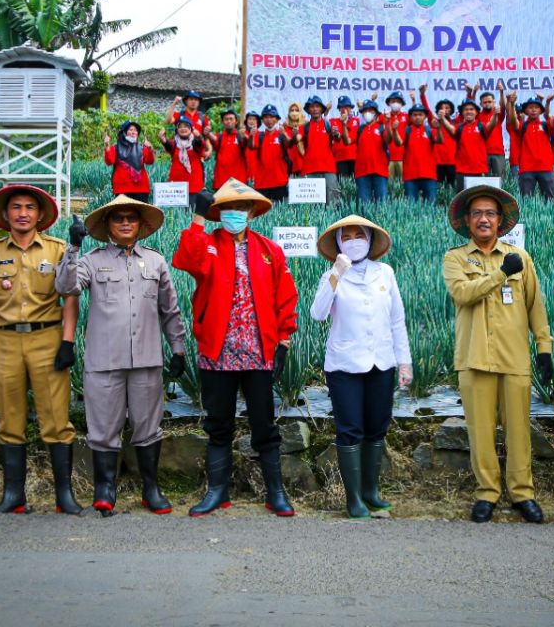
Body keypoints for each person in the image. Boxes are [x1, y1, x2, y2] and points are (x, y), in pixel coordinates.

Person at [173, 179, 299, 517]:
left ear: (252, 212)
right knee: (219, 423)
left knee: (264, 423)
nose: (235, 213)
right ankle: (217, 491)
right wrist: (197, 220)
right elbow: (186, 260)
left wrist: (284, 339)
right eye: (227, 208)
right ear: (219, 213)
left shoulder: (268, 249)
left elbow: (285, 295)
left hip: (259, 352)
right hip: (218, 351)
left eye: (241, 208)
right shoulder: (209, 243)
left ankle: (276, 492)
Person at [0, 185, 82, 515]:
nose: (23, 213)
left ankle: (64, 496)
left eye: (29, 207)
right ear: (5, 214)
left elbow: (71, 297)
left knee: (56, 418)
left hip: (48, 337)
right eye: (16, 207)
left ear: (40, 215)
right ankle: (14, 496)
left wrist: (67, 342)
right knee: (9, 418)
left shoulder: (56, 250)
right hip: (8, 341)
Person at [58, 195, 187, 516]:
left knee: (148, 426)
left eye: (131, 217)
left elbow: (170, 310)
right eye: (119, 218)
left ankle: (151, 489)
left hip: (146, 360)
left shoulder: (156, 261)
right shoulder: (91, 260)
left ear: (142, 225)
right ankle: (105, 489)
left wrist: (178, 348)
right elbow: (66, 286)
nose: (126, 222)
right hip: (104, 361)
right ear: (108, 226)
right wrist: (72, 248)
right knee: (102, 429)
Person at [443, 185, 553, 523]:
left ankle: (522, 493)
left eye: (490, 213)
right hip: (474, 357)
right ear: (467, 221)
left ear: (500, 220)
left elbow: (536, 305)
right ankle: (487, 493)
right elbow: (463, 294)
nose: (484, 219)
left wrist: (544, 347)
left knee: (519, 430)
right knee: (480, 431)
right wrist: (502, 272)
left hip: (514, 357)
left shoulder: (522, 258)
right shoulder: (456, 258)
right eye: (477, 213)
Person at [310, 215, 411, 519]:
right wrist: (336, 275)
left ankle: (371, 490)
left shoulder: (385, 273)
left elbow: (397, 320)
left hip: (381, 361)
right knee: (350, 427)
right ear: (340, 243)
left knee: (377, 426)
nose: (354, 241)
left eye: (360, 235)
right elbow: (317, 313)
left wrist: (403, 361)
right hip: (344, 365)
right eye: (347, 236)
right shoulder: (333, 276)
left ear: (369, 239)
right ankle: (353, 498)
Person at [506, 93, 554, 200]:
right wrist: (511, 103)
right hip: (526, 169)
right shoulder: (522, 126)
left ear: (540, 110)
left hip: (546, 167)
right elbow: (512, 121)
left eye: (536, 107)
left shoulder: (545, 125)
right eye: (530, 107)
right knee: (526, 200)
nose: (533, 110)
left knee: (550, 200)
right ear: (526, 111)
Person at [294, 95, 342, 203]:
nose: (315, 109)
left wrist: (337, 134)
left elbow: (338, 138)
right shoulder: (304, 127)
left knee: (333, 203)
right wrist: (295, 135)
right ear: (308, 110)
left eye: (317, 106)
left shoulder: (328, 125)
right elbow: (297, 140)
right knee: (311, 207)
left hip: (328, 169)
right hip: (309, 170)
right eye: (312, 107)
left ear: (321, 109)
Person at [439, 98, 497, 188]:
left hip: (479, 170)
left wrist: (495, 115)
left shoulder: (481, 126)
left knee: (478, 199)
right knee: (463, 199)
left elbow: (492, 124)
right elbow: (450, 128)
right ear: (462, 113)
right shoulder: (459, 128)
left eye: (471, 109)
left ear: (476, 112)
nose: (468, 112)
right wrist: (442, 119)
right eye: (466, 109)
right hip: (462, 171)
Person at [353, 98, 398, 203]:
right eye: (365, 111)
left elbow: (388, 140)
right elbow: (348, 142)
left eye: (371, 111)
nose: (368, 113)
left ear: (376, 114)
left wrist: (387, 123)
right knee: (364, 205)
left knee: (382, 204)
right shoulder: (360, 129)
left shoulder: (382, 127)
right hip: (362, 172)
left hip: (380, 172)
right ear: (362, 113)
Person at [103, 121, 156, 201]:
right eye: (130, 130)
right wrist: (107, 146)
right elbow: (109, 161)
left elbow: (150, 161)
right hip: (122, 188)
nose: (133, 132)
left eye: (135, 130)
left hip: (141, 188)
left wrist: (150, 149)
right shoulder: (116, 148)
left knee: (139, 212)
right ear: (124, 132)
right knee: (124, 213)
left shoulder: (141, 148)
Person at [401, 103, 442, 202]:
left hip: (429, 174)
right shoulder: (407, 130)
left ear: (425, 117)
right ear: (410, 117)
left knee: (431, 205)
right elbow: (399, 143)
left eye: (420, 115)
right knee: (411, 206)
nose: (417, 117)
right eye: (415, 115)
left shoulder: (430, 130)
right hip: (410, 175)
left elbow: (439, 140)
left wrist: (439, 128)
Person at [251, 104, 293, 201]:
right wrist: (251, 136)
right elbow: (251, 146)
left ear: (277, 119)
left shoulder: (282, 135)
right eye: (266, 117)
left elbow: (290, 144)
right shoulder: (258, 135)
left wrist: (285, 134)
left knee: (280, 213)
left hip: (280, 181)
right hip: (262, 183)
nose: (269, 120)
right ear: (262, 120)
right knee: (262, 215)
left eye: (272, 117)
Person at [160, 116, 209, 195]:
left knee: (192, 207)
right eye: (180, 127)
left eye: (186, 126)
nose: (183, 129)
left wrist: (199, 137)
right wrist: (163, 139)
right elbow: (168, 145)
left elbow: (200, 144)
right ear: (177, 130)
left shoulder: (194, 143)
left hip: (194, 186)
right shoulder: (175, 143)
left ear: (191, 129)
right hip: (177, 187)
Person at [419, 89, 457, 189]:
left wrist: (471, 93)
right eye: (441, 108)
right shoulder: (434, 122)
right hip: (437, 162)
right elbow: (426, 109)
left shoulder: (456, 123)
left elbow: (467, 110)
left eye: (447, 108)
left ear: (451, 110)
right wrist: (422, 94)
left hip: (452, 162)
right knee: (438, 188)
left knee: (452, 188)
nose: (444, 110)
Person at [208, 109, 249, 189]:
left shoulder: (241, 136)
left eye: (231, 119)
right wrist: (207, 133)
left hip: (239, 181)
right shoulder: (218, 137)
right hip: (221, 181)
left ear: (236, 121)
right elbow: (211, 141)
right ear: (222, 122)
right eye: (226, 119)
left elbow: (249, 145)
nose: (228, 121)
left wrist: (245, 137)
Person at [477, 84, 508, 178]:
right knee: (482, 183)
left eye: (489, 102)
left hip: (498, 153)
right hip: (481, 154)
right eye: (485, 102)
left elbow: (503, 106)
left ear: (494, 102)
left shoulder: (498, 114)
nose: (487, 104)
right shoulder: (476, 116)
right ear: (481, 104)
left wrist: (501, 92)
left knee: (500, 183)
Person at [330, 96, 360, 179]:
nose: (344, 109)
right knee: (342, 186)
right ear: (339, 109)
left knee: (355, 186)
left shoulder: (357, 121)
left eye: (346, 106)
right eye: (341, 107)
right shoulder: (333, 121)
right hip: (340, 159)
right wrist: (325, 113)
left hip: (355, 158)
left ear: (351, 108)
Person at [382, 92, 409, 179]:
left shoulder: (407, 116)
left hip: (404, 158)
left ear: (402, 104)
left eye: (398, 101)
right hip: (387, 159)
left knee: (403, 187)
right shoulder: (384, 116)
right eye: (393, 101)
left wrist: (414, 100)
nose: (395, 103)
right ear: (389, 103)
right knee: (390, 187)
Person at [284, 102, 306, 177]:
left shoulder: (305, 126)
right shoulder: (285, 127)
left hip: (302, 164)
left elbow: (297, 139)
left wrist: (295, 134)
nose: (294, 113)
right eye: (292, 110)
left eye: (297, 110)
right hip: (288, 166)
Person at [242, 110, 261, 185]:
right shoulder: (241, 134)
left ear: (258, 122)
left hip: (257, 169)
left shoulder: (261, 135)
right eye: (249, 119)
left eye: (254, 119)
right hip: (244, 169)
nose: (251, 121)